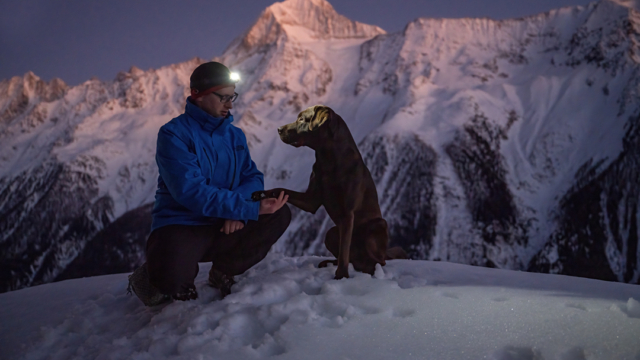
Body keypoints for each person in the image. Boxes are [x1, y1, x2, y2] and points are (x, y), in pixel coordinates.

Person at [129, 61, 290, 306]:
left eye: (232, 96)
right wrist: (242, 208)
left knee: (278, 213)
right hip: (184, 223)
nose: (230, 104)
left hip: (224, 222)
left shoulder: (234, 135)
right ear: (199, 95)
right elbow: (190, 191)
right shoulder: (174, 134)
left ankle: (224, 271)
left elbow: (252, 177)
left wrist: (239, 211)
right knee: (172, 286)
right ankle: (152, 273)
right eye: (223, 97)